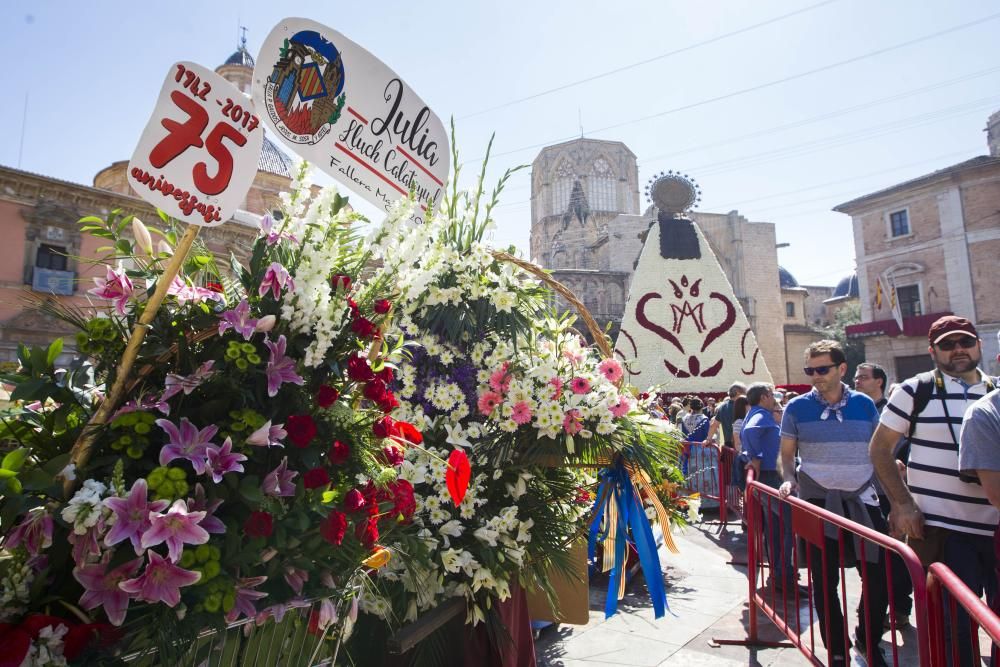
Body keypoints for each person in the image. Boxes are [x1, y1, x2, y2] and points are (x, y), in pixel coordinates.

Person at [869, 316, 998, 667]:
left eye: (965, 342)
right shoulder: (915, 389)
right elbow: (880, 449)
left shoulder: (996, 391)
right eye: (947, 344)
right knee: (954, 631)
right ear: (932, 351)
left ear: (978, 345)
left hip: (996, 530)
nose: (958, 349)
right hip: (945, 533)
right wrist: (903, 503)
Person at [780, 340, 889, 667]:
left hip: (863, 501)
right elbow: (787, 456)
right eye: (810, 370)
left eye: (822, 369)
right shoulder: (796, 408)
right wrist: (789, 478)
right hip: (817, 503)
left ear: (842, 368)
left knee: (877, 577)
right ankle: (837, 649)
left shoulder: (865, 405)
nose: (815, 376)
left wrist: (895, 497)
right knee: (824, 581)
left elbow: (877, 451)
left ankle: (868, 640)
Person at [742, 382, 795, 590]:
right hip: (771, 476)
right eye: (772, 395)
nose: (774, 399)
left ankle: (779, 573)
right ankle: (784, 574)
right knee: (786, 525)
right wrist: (754, 456)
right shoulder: (761, 416)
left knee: (775, 526)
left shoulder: (757, 412)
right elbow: (750, 431)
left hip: (769, 475)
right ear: (764, 396)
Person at [704, 382, 747, 448]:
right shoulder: (743, 406)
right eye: (745, 392)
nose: (746, 394)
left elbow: (714, 425)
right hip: (742, 444)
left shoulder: (722, 406)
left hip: (728, 446)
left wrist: (708, 439)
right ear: (738, 393)